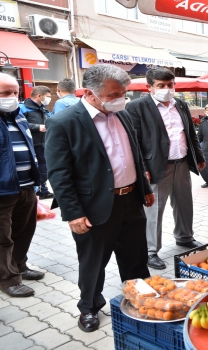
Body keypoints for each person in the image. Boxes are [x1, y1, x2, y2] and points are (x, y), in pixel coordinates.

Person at [45, 64, 154, 332]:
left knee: (135, 257)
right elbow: (59, 173)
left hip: (131, 200)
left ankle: (140, 297)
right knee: (94, 262)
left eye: (123, 92)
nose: (121, 98)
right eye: (113, 94)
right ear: (90, 93)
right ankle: (89, 307)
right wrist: (72, 213)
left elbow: (134, 154)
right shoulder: (64, 122)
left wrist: (145, 188)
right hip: (93, 208)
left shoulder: (123, 115)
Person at [126, 68, 206, 270]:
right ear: (149, 87)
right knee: (154, 209)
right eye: (161, 86)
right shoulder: (137, 107)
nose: (167, 89)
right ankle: (150, 251)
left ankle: (185, 237)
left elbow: (190, 133)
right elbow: (132, 141)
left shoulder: (180, 104)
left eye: (170, 85)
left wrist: (198, 156)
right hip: (156, 167)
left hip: (181, 162)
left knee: (184, 203)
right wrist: (142, 167)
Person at [0, 73, 44, 298]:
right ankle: (8, 280)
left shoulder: (19, 117)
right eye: (5, 93)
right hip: (3, 191)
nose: (12, 97)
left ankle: (19, 265)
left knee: (24, 230)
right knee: (3, 238)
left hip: (26, 187)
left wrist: (36, 186)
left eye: (15, 92)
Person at [18, 86, 53, 199]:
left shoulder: (43, 109)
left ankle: (42, 190)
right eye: (48, 96)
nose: (50, 98)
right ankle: (34, 191)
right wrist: (37, 127)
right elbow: (19, 124)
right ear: (39, 96)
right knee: (33, 169)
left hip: (44, 144)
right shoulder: (22, 108)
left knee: (44, 169)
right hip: (30, 145)